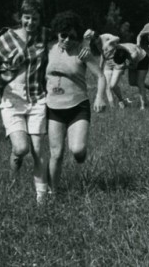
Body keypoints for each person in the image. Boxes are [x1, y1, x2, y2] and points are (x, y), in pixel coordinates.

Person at [0, 0, 50, 204]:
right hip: (12, 99)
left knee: (38, 149)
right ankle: (13, 177)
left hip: (38, 98)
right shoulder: (8, 37)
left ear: (40, 19)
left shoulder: (46, 35)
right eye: (27, 18)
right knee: (20, 149)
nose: (30, 23)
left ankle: (41, 197)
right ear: (21, 17)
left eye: (35, 19)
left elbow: (67, 38)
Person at [46, 11, 107, 194]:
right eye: (63, 35)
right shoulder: (48, 50)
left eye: (72, 36)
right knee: (56, 153)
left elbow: (101, 76)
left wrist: (100, 96)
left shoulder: (82, 52)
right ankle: (51, 193)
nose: (67, 40)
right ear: (57, 33)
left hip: (77, 107)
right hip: (53, 108)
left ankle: (81, 156)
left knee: (77, 149)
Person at [92, 32, 132, 108]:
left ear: (98, 37)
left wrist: (109, 42)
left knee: (112, 86)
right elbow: (103, 54)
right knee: (107, 86)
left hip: (118, 61)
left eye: (96, 41)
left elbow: (117, 38)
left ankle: (121, 100)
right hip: (107, 63)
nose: (96, 43)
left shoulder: (105, 36)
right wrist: (100, 67)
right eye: (94, 42)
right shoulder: (96, 43)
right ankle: (112, 107)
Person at [112, 42, 149, 110]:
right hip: (132, 58)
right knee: (132, 82)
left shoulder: (133, 55)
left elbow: (134, 67)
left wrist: (125, 67)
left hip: (143, 60)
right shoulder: (118, 48)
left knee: (140, 82)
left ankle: (143, 106)